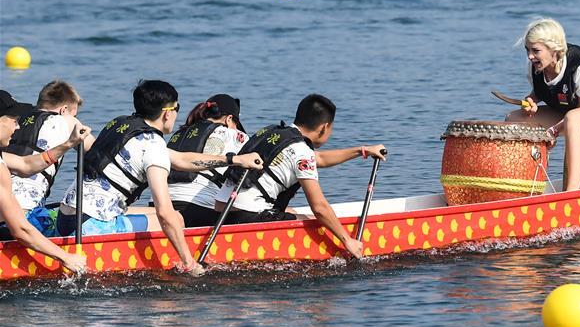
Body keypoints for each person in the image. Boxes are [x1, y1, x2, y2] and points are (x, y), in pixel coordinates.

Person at [55, 80, 262, 276]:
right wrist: (190, 263)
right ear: (167, 113)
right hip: (91, 228)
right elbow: (165, 213)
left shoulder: (121, 125)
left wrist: (234, 159)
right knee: (175, 218)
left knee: (154, 213)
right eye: (177, 109)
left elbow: (181, 160)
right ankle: (175, 262)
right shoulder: (153, 145)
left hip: (67, 219)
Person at [216, 94, 386, 259]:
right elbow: (319, 207)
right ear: (324, 127)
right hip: (248, 217)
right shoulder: (302, 151)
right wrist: (347, 240)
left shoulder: (276, 133)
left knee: (293, 211)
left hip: (221, 211)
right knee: (314, 220)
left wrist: (361, 151)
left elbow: (318, 158)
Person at [505, 18, 580, 191]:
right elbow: (540, 91)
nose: (530, 56)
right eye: (527, 50)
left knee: (573, 119)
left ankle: (571, 193)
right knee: (514, 119)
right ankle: (519, 187)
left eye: (536, 51)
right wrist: (531, 100)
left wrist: (554, 131)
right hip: (569, 113)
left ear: (554, 50)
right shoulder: (534, 67)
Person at [0, 89, 87, 273]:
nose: (17, 127)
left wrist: (68, 144)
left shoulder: (3, 157)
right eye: (14, 120)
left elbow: (25, 164)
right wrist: (66, 257)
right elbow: (21, 230)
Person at [5, 80, 96, 235]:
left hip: (5, 212)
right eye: (75, 113)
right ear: (64, 109)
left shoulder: (14, 122)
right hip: (25, 218)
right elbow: (97, 154)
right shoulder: (65, 120)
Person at [168, 94, 249, 227]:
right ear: (229, 119)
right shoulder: (233, 134)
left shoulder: (179, 133)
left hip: (161, 205)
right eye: (236, 123)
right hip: (196, 210)